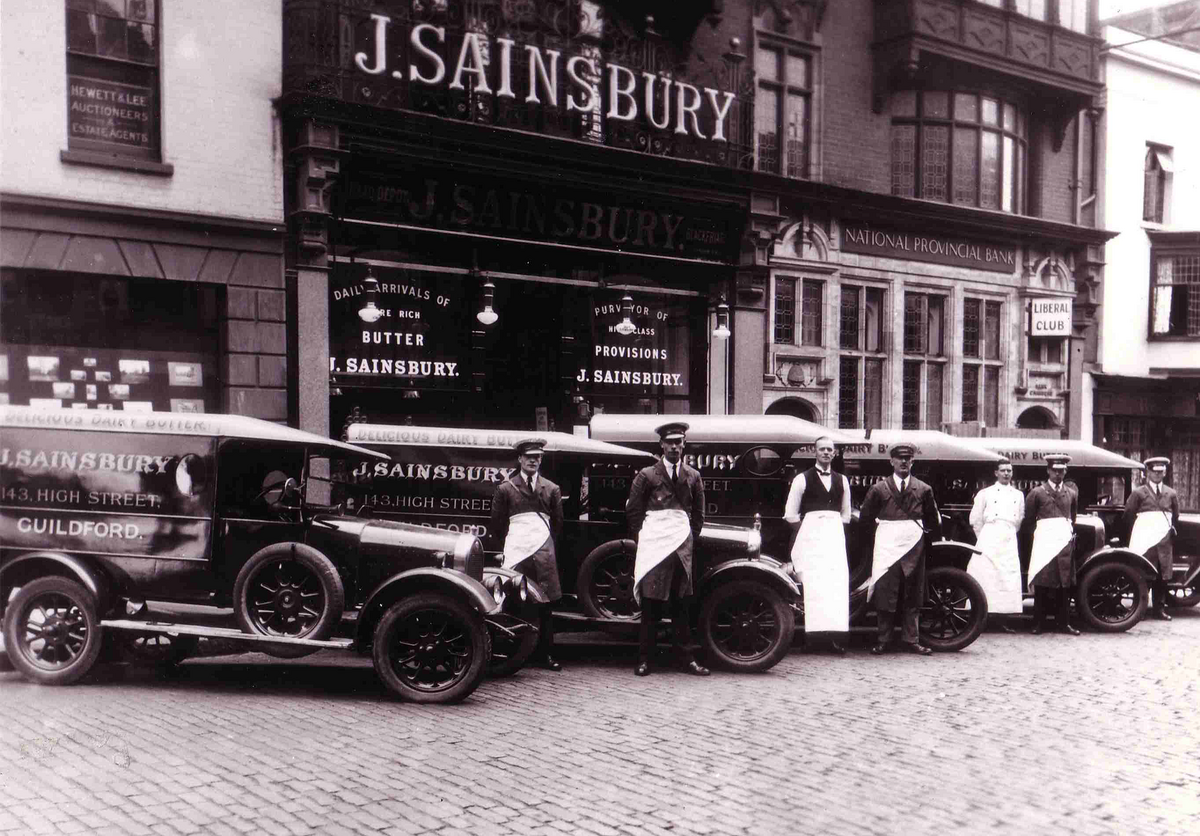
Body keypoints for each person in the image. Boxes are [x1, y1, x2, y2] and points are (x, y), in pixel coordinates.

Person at [626, 421, 708, 677]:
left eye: (679, 442)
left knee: (681, 604)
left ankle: (687, 659)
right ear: (661, 444)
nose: (675, 447)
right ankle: (644, 659)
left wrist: (687, 538)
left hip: (681, 545)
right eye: (670, 442)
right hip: (654, 543)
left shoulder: (693, 476)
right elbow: (634, 511)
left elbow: (699, 515)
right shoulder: (647, 475)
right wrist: (647, 537)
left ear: (684, 444)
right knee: (651, 604)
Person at [488, 438, 565, 671]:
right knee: (513, 601)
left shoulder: (551, 489)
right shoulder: (505, 489)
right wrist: (513, 546)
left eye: (538, 457)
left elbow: (558, 524)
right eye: (529, 456)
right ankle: (514, 654)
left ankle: (547, 655)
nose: (534, 460)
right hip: (517, 553)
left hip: (543, 552)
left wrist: (544, 545)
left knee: (545, 605)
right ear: (520, 459)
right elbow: (497, 524)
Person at [859, 442, 942, 656]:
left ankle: (911, 639)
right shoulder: (879, 488)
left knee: (912, 593)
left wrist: (926, 544)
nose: (904, 462)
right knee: (885, 591)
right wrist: (877, 540)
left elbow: (932, 519)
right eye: (899, 458)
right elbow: (866, 518)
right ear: (891, 461)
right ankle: (883, 639)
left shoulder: (923, 489)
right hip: (887, 545)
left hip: (913, 545)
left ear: (913, 461)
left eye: (908, 459)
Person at [783, 435, 851, 654]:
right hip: (810, 535)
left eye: (830, 450)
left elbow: (846, 514)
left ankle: (833, 637)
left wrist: (830, 528)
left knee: (835, 585)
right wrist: (810, 530)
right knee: (814, 585)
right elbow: (790, 514)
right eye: (822, 449)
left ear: (834, 453)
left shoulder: (842, 480)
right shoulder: (802, 478)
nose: (826, 453)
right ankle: (812, 638)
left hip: (834, 535)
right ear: (815, 452)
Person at [1023, 454, 1079, 635]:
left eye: (1061, 471)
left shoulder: (1071, 494)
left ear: (1065, 471)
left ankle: (1064, 623)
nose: (1058, 474)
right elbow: (1029, 520)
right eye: (1055, 470)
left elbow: (1073, 518)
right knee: (1042, 582)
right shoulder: (1037, 492)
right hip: (1044, 542)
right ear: (1048, 470)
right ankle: (1038, 623)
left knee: (1064, 583)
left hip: (1063, 542)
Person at [967, 458, 1025, 632]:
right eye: (1003, 470)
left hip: (1008, 538)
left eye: (1009, 470)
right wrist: (984, 538)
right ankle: (981, 618)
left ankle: (1002, 620)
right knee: (986, 575)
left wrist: (1008, 533)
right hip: (989, 537)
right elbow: (975, 519)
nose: (1006, 473)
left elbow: (1019, 519)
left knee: (1006, 578)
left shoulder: (1018, 495)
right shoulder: (985, 493)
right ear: (996, 473)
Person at [1123, 456, 1180, 621]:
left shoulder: (1171, 493)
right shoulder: (1138, 493)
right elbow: (1128, 515)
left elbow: (1175, 516)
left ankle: (1159, 609)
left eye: (1161, 472)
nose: (1157, 475)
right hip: (1145, 540)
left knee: (1162, 576)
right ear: (1148, 472)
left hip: (1163, 540)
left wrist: (1164, 531)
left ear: (1165, 472)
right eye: (1154, 472)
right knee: (1142, 574)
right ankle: (1139, 609)